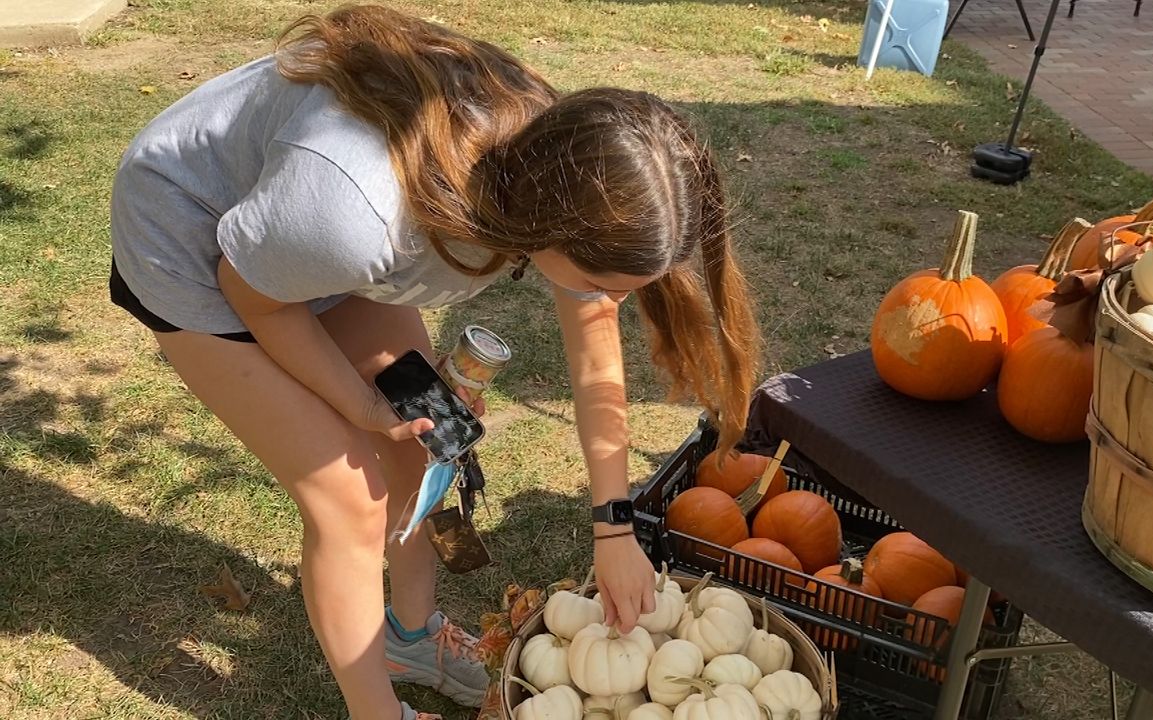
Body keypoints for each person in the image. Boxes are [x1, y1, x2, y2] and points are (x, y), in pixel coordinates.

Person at [107, 5, 760, 720]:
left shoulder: (560, 166)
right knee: (349, 501)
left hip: (298, 243)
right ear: (544, 227)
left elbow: (593, 332)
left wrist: (613, 526)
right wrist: (360, 411)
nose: (604, 302)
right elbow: (255, 296)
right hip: (196, 243)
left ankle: (410, 638)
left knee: (430, 434)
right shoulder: (358, 215)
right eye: (601, 283)